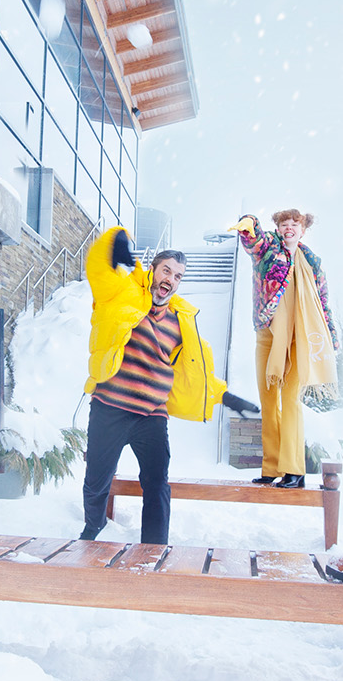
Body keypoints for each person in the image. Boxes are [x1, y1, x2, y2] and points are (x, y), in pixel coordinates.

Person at [78, 228, 250, 544]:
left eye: (179, 275)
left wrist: (225, 396)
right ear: (154, 270)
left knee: (157, 484)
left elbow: (198, 371)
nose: (171, 279)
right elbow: (97, 267)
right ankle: (92, 529)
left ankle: (154, 548)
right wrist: (113, 242)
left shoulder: (181, 320)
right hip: (109, 408)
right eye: (167, 270)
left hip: (152, 416)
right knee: (96, 482)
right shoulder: (121, 292)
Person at [233, 209, 339, 489]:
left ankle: (294, 470)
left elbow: (323, 302)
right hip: (267, 336)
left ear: (303, 230)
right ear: (278, 228)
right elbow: (252, 240)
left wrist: (331, 335)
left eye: (295, 224)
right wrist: (249, 222)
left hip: (298, 338)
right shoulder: (269, 250)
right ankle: (271, 467)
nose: (289, 228)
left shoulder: (312, 263)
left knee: (290, 402)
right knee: (268, 403)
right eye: (284, 224)